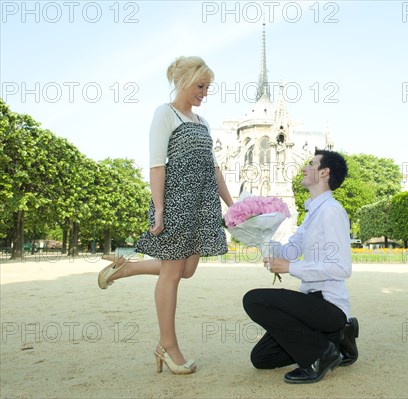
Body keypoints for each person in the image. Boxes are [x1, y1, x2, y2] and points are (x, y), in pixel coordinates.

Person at [97, 56, 233, 375]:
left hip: (201, 207)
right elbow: (157, 164)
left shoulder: (203, 122)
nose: (204, 93)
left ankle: (126, 268)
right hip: (175, 204)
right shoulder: (164, 114)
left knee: (187, 270)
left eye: (208, 87)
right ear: (184, 81)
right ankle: (167, 347)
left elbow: (214, 169)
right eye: (201, 86)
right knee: (173, 274)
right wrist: (159, 211)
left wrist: (233, 204)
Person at [243, 150, 359, 384]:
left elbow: (342, 268)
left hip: (329, 305)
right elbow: (290, 251)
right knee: (262, 358)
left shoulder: (332, 211)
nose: (305, 168)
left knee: (253, 300)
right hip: (312, 305)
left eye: (311, 164)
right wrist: (261, 235)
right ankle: (339, 336)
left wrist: (291, 268)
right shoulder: (312, 213)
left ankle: (322, 355)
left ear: (324, 172)